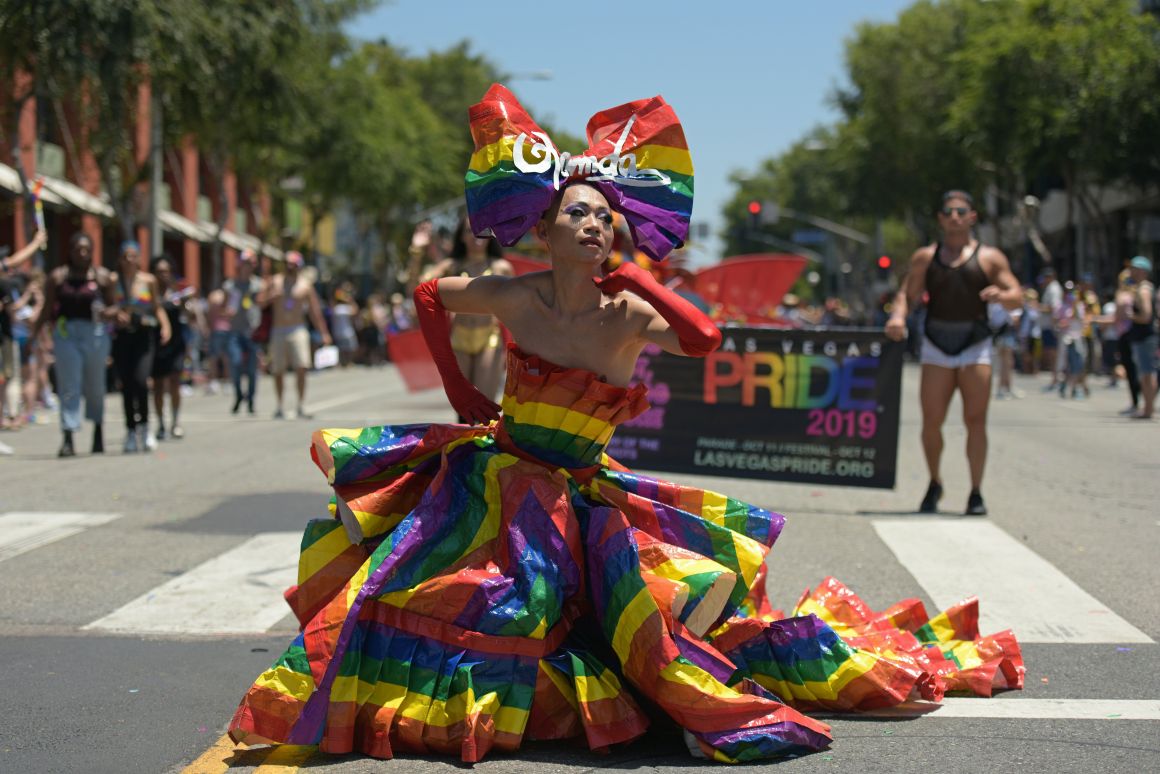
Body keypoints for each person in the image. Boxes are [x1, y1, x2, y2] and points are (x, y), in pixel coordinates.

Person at [229, 85, 1022, 764]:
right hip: (497, 471)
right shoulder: (513, 294)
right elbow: (432, 296)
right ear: (544, 230)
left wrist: (640, 271)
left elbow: (706, 340)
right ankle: (418, 700)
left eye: (607, 218)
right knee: (414, 581)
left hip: (577, 495)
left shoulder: (628, 311)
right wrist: (460, 394)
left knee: (594, 609)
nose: (594, 226)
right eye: (578, 214)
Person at [885, 191, 1022, 515]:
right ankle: (934, 482)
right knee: (932, 421)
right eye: (949, 211)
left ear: (972, 216)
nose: (956, 216)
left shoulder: (990, 257)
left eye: (962, 211)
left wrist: (1002, 295)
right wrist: (898, 316)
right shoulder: (926, 257)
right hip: (937, 344)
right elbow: (907, 293)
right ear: (941, 218)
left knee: (975, 420)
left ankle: (976, 492)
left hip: (975, 344)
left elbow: (1017, 295)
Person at [30, 232, 118, 457]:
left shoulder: (102, 277)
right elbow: (47, 309)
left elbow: (115, 308)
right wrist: (34, 335)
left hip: (95, 334)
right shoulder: (58, 277)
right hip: (66, 334)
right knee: (69, 385)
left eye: (86, 249)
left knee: (95, 385)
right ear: (69, 251)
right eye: (77, 249)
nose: (82, 253)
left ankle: (98, 429)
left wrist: (109, 313)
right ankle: (68, 434)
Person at [420, 217, 514, 419]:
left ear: (491, 237)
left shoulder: (501, 268)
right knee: (463, 407)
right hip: (459, 339)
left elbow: (514, 308)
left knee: (485, 405)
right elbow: (420, 288)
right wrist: (416, 251)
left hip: (490, 339)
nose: (476, 236)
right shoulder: (451, 266)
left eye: (483, 231)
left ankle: (485, 449)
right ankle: (462, 448)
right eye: (470, 231)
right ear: (461, 236)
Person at [111, 241, 170, 452]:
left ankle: (145, 428)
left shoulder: (148, 281)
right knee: (126, 384)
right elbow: (108, 307)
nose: (129, 260)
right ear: (120, 259)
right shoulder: (113, 281)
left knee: (141, 380)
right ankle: (130, 430)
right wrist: (116, 314)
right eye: (125, 256)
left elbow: (157, 308)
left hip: (144, 336)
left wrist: (165, 326)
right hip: (122, 337)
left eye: (133, 255)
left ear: (139, 258)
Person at [257, 250, 330, 419]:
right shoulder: (275, 282)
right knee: (278, 370)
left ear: (299, 266)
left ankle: (301, 404)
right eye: (287, 264)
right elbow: (260, 302)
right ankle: (280, 405)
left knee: (302, 366)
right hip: (278, 329)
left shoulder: (305, 285)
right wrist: (270, 297)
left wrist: (324, 332)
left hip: (297, 328)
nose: (290, 267)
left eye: (293, 264)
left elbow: (315, 312)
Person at [221, 249, 264, 414]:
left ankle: (251, 399)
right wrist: (226, 312)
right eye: (245, 262)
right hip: (235, 332)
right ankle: (239, 394)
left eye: (251, 263)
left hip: (252, 332)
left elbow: (263, 304)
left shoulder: (258, 285)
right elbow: (223, 310)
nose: (248, 266)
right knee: (236, 362)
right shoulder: (230, 286)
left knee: (253, 368)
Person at [150, 256, 188, 440]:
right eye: (159, 272)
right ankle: (160, 424)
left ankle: (175, 421)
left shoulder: (176, 293)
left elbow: (189, 315)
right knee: (158, 386)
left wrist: (185, 305)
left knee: (175, 382)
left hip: (176, 344)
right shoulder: (149, 293)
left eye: (166, 271)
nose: (163, 275)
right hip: (156, 344)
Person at [1125, 256, 1156, 419]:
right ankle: (1148, 408)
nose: (1131, 272)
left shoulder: (1143, 290)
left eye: (1134, 269)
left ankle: (1148, 409)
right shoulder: (1144, 288)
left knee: (1146, 373)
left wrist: (1131, 316)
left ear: (1143, 271)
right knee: (1146, 373)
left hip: (1145, 336)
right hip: (1145, 337)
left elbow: (1146, 315)